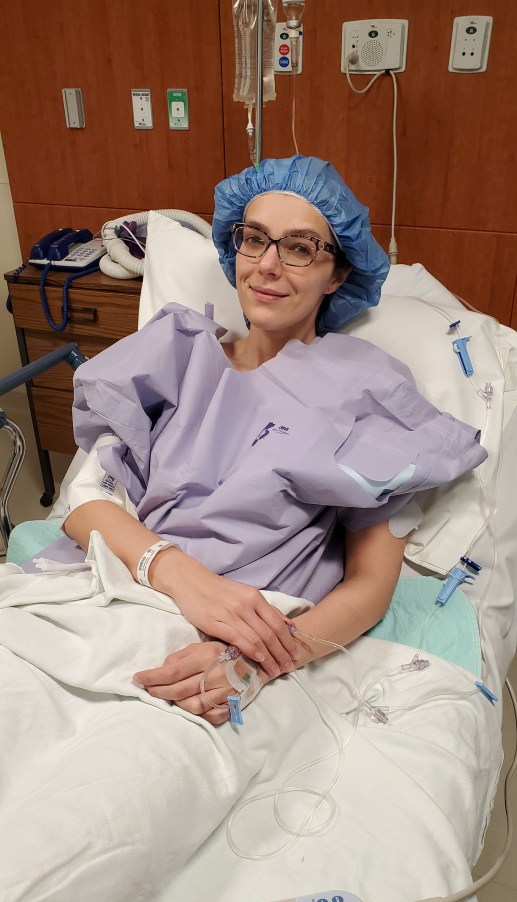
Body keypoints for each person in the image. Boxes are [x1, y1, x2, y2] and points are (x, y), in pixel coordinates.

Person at [63, 155, 487, 724]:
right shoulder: (177, 351)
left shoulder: (361, 386)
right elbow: (85, 503)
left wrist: (253, 666)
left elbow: (370, 586)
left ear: (337, 274)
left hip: (241, 644)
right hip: (121, 593)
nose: (266, 266)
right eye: (254, 239)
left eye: (300, 247)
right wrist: (181, 576)